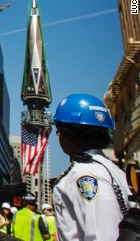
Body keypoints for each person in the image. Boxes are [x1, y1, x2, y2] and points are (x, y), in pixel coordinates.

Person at [52, 93, 133, 241]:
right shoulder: (117, 172)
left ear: (68, 134)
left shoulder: (83, 176)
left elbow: (101, 235)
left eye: (59, 131)